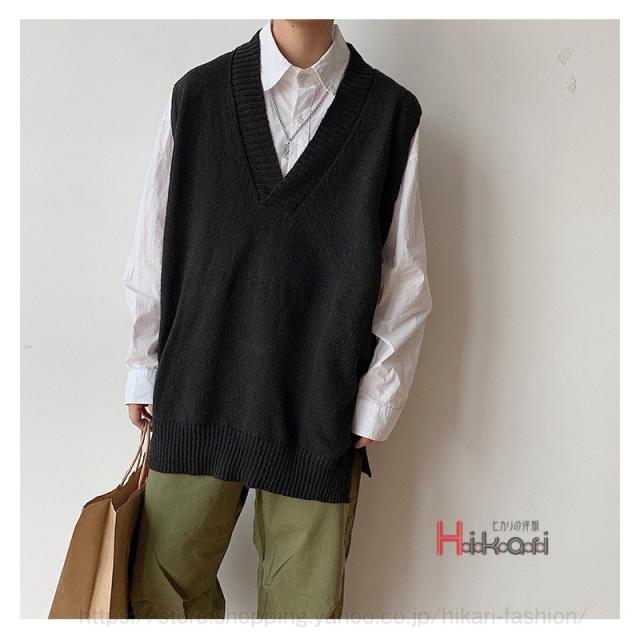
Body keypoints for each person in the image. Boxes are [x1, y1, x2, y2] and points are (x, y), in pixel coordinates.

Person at [123, 19, 432, 619]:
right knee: (160, 594)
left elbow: (406, 275)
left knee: (303, 610)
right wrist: (143, 365)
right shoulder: (197, 96)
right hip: (196, 389)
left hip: (318, 406)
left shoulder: (390, 115)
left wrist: (379, 397)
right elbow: (151, 247)